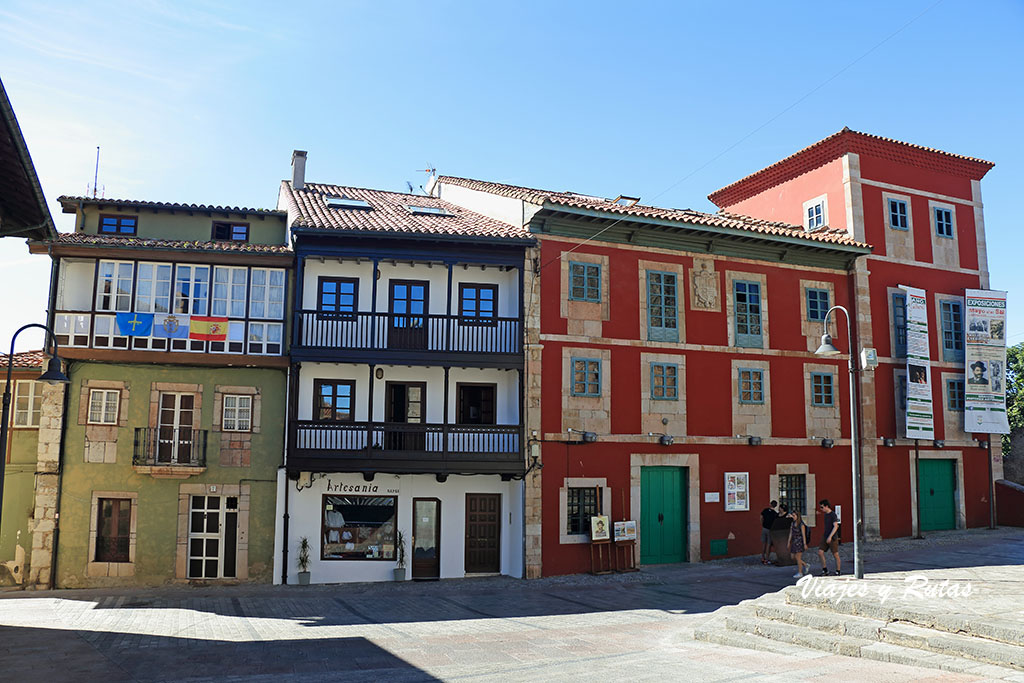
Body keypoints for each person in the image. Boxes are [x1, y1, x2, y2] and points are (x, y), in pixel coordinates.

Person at [817, 499, 841, 575]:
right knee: (820, 552)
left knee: (835, 554)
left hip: (832, 537)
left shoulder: (832, 515)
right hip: (825, 535)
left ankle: (838, 570)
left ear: (826, 506)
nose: (821, 509)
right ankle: (825, 569)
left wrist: (830, 536)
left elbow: (835, 526)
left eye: (822, 507)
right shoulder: (826, 515)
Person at [788, 510, 810, 578]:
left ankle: (800, 572)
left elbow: (803, 535)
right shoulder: (792, 523)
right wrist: (789, 541)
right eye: (792, 515)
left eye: (794, 515)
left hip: (799, 542)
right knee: (793, 557)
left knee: (798, 557)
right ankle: (805, 564)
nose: (793, 517)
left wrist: (804, 544)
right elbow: (791, 533)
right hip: (794, 541)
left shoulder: (801, 524)